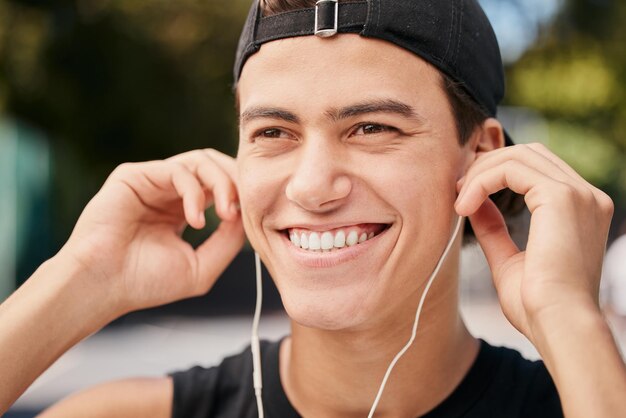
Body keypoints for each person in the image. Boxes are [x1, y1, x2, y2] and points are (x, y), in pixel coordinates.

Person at [1, 0, 625, 417]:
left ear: (481, 156)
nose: (312, 186)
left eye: (372, 128)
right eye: (273, 133)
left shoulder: (587, 396)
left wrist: (569, 320)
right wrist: (80, 280)